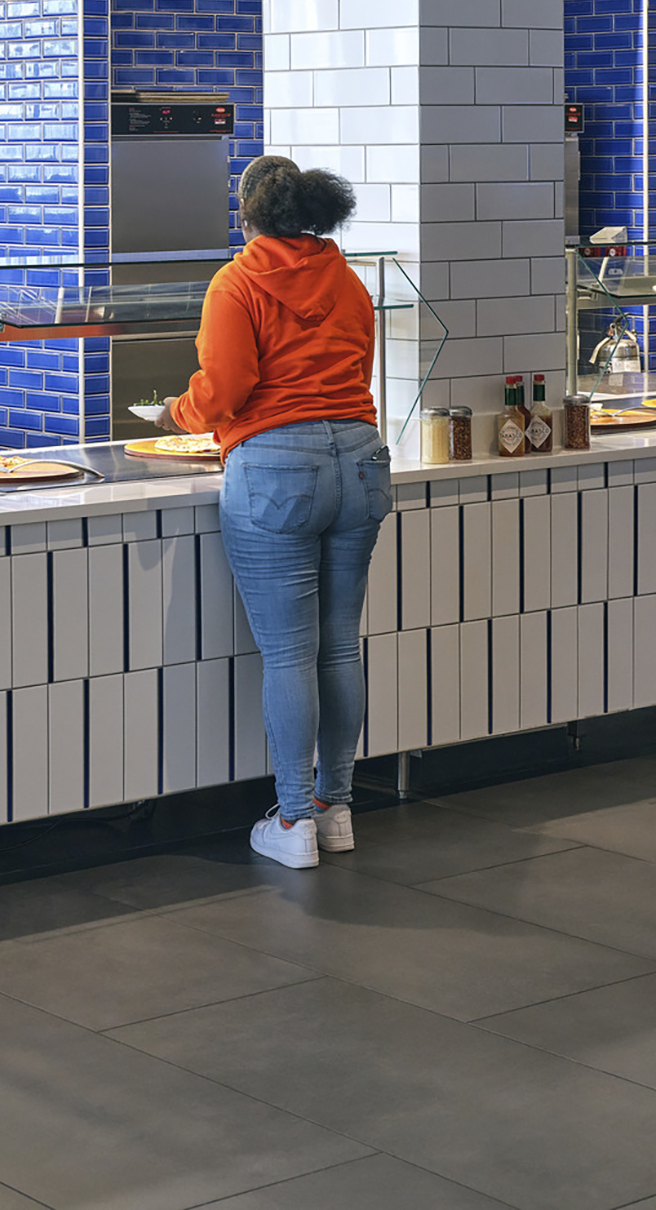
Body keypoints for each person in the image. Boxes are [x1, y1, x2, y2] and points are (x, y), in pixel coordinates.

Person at [157, 155, 390, 871]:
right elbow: (356, 370)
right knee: (340, 643)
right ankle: (336, 807)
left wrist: (177, 413)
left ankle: (292, 821)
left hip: (276, 470)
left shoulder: (239, 280)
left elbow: (225, 389)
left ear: (249, 215)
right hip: (359, 457)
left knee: (290, 652)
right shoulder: (349, 280)